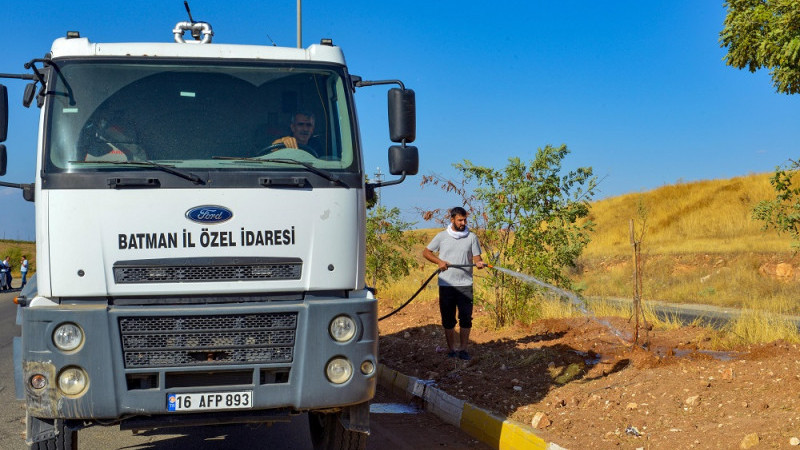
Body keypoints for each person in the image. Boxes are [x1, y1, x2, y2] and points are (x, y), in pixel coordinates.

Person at [422, 207, 486, 361]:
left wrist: (478, 263)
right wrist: (439, 262)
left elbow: (476, 257)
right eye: (460, 220)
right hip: (446, 285)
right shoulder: (442, 236)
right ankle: (452, 350)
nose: (463, 223)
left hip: (465, 284)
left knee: (465, 318)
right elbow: (426, 252)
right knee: (448, 319)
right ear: (452, 220)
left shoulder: (471, 237)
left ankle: (463, 350)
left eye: (465, 220)